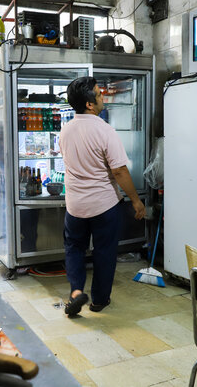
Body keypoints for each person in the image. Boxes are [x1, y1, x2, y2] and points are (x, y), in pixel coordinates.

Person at [60, 77, 146, 317]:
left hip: (74, 206)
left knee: (74, 248)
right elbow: (119, 170)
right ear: (89, 104)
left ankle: (76, 292)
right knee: (104, 251)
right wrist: (136, 201)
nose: (102, 98)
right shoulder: (104, 130)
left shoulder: (65, 130)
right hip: (103, 205)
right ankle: (98, 301)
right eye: (98, 94)